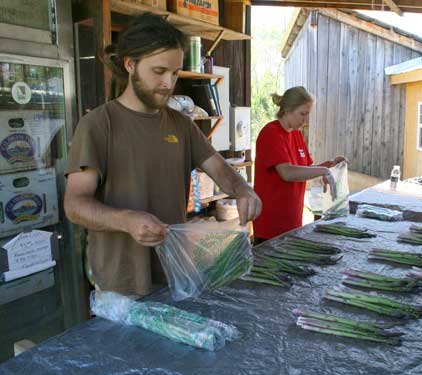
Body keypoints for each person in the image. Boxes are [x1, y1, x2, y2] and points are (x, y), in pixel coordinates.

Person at [64, 13, 261, 296]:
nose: (169, 83)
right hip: (121, 284)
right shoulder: (98, 125)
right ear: (130, 64)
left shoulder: (181, 125)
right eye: (159, 72)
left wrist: (243, 190)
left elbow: (220, 170)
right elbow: (74, 205)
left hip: (173, 274)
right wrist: (127, 220)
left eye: (175, 73)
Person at [253, 86, 345, 242]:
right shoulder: (271, 133)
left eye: (308, 114)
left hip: (292, 220)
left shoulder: (296, 134)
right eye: (303, 114)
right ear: (288, 110)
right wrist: (323, 171)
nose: (306, 120)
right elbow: (287, 173)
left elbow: (305, 170)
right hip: (271, 224)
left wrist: (329, 165)